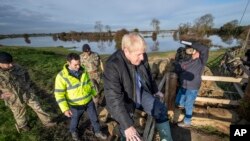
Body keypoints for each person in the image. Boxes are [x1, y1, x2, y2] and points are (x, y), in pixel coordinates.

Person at [103, 33, 173, 141]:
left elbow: (148, 74)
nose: (142, 57)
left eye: (143, 53)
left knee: (161, 110)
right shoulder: (113, 66)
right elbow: (113, 99)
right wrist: (127, 125)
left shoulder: (142, 56)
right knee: (127, 130)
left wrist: (155, 90)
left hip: (140, 92)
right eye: (138, 54)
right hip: (125, 99)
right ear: (126, 51)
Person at [54, 53, 107, 141]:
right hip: (75, 105)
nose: (78, 66)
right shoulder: (61, 76)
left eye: (79, 64)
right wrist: (65, 109)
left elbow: (89, 84)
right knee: (75, 120)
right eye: (75, 65)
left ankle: (97, 131)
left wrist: (94, 93)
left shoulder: (84, 70)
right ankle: (74, 132)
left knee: (94, 118)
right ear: (68, 63)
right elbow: (59, 94)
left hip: (89, 101)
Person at [0, 51, 56, 132]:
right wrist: (1, 96)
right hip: (13, 98)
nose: (11, 65)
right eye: (8, 63)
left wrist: (30, 86)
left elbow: (26, 75)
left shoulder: (17, 67)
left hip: (27, 93)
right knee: (19, 113)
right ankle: (22, 125)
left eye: (11, 62)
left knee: (38, 107)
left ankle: (47, 122)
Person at [174, 40, 209, 127]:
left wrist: (189, 43)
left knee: (189, 104)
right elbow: (177, 69)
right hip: (183, 86)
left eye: (192, 50)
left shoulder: (200, 61)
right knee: (179, 101)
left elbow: (205, 49)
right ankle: (181, 106)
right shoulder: (182, 62)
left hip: (193, 87)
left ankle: (187, 122)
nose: (194, 52)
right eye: (189, 50)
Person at [80, 44, 109, 122]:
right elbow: (79, 67)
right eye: (86, 51)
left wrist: (103, 71)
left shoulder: (95, 55)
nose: (88, 52)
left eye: (88, 50)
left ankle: (95, 102)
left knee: (97, 90)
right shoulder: (81, 57)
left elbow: (101, 63)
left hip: (97, 75)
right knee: (92, 90)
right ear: (83, 51)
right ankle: (94, 105)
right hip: (87, 75)